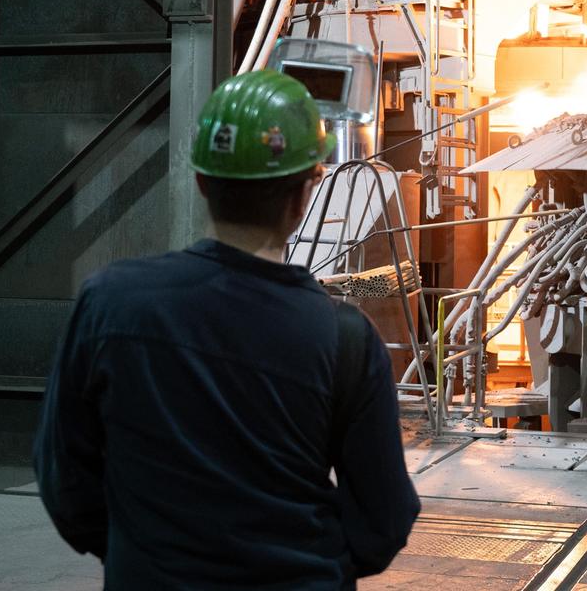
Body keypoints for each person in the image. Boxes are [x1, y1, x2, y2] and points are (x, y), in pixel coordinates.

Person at [34, 69, 420, 588]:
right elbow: (384, 518)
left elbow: (63, 476)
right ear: (306, 191)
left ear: (200, 181)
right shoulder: (344, 338)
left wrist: (137, 550)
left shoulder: (111, 304)